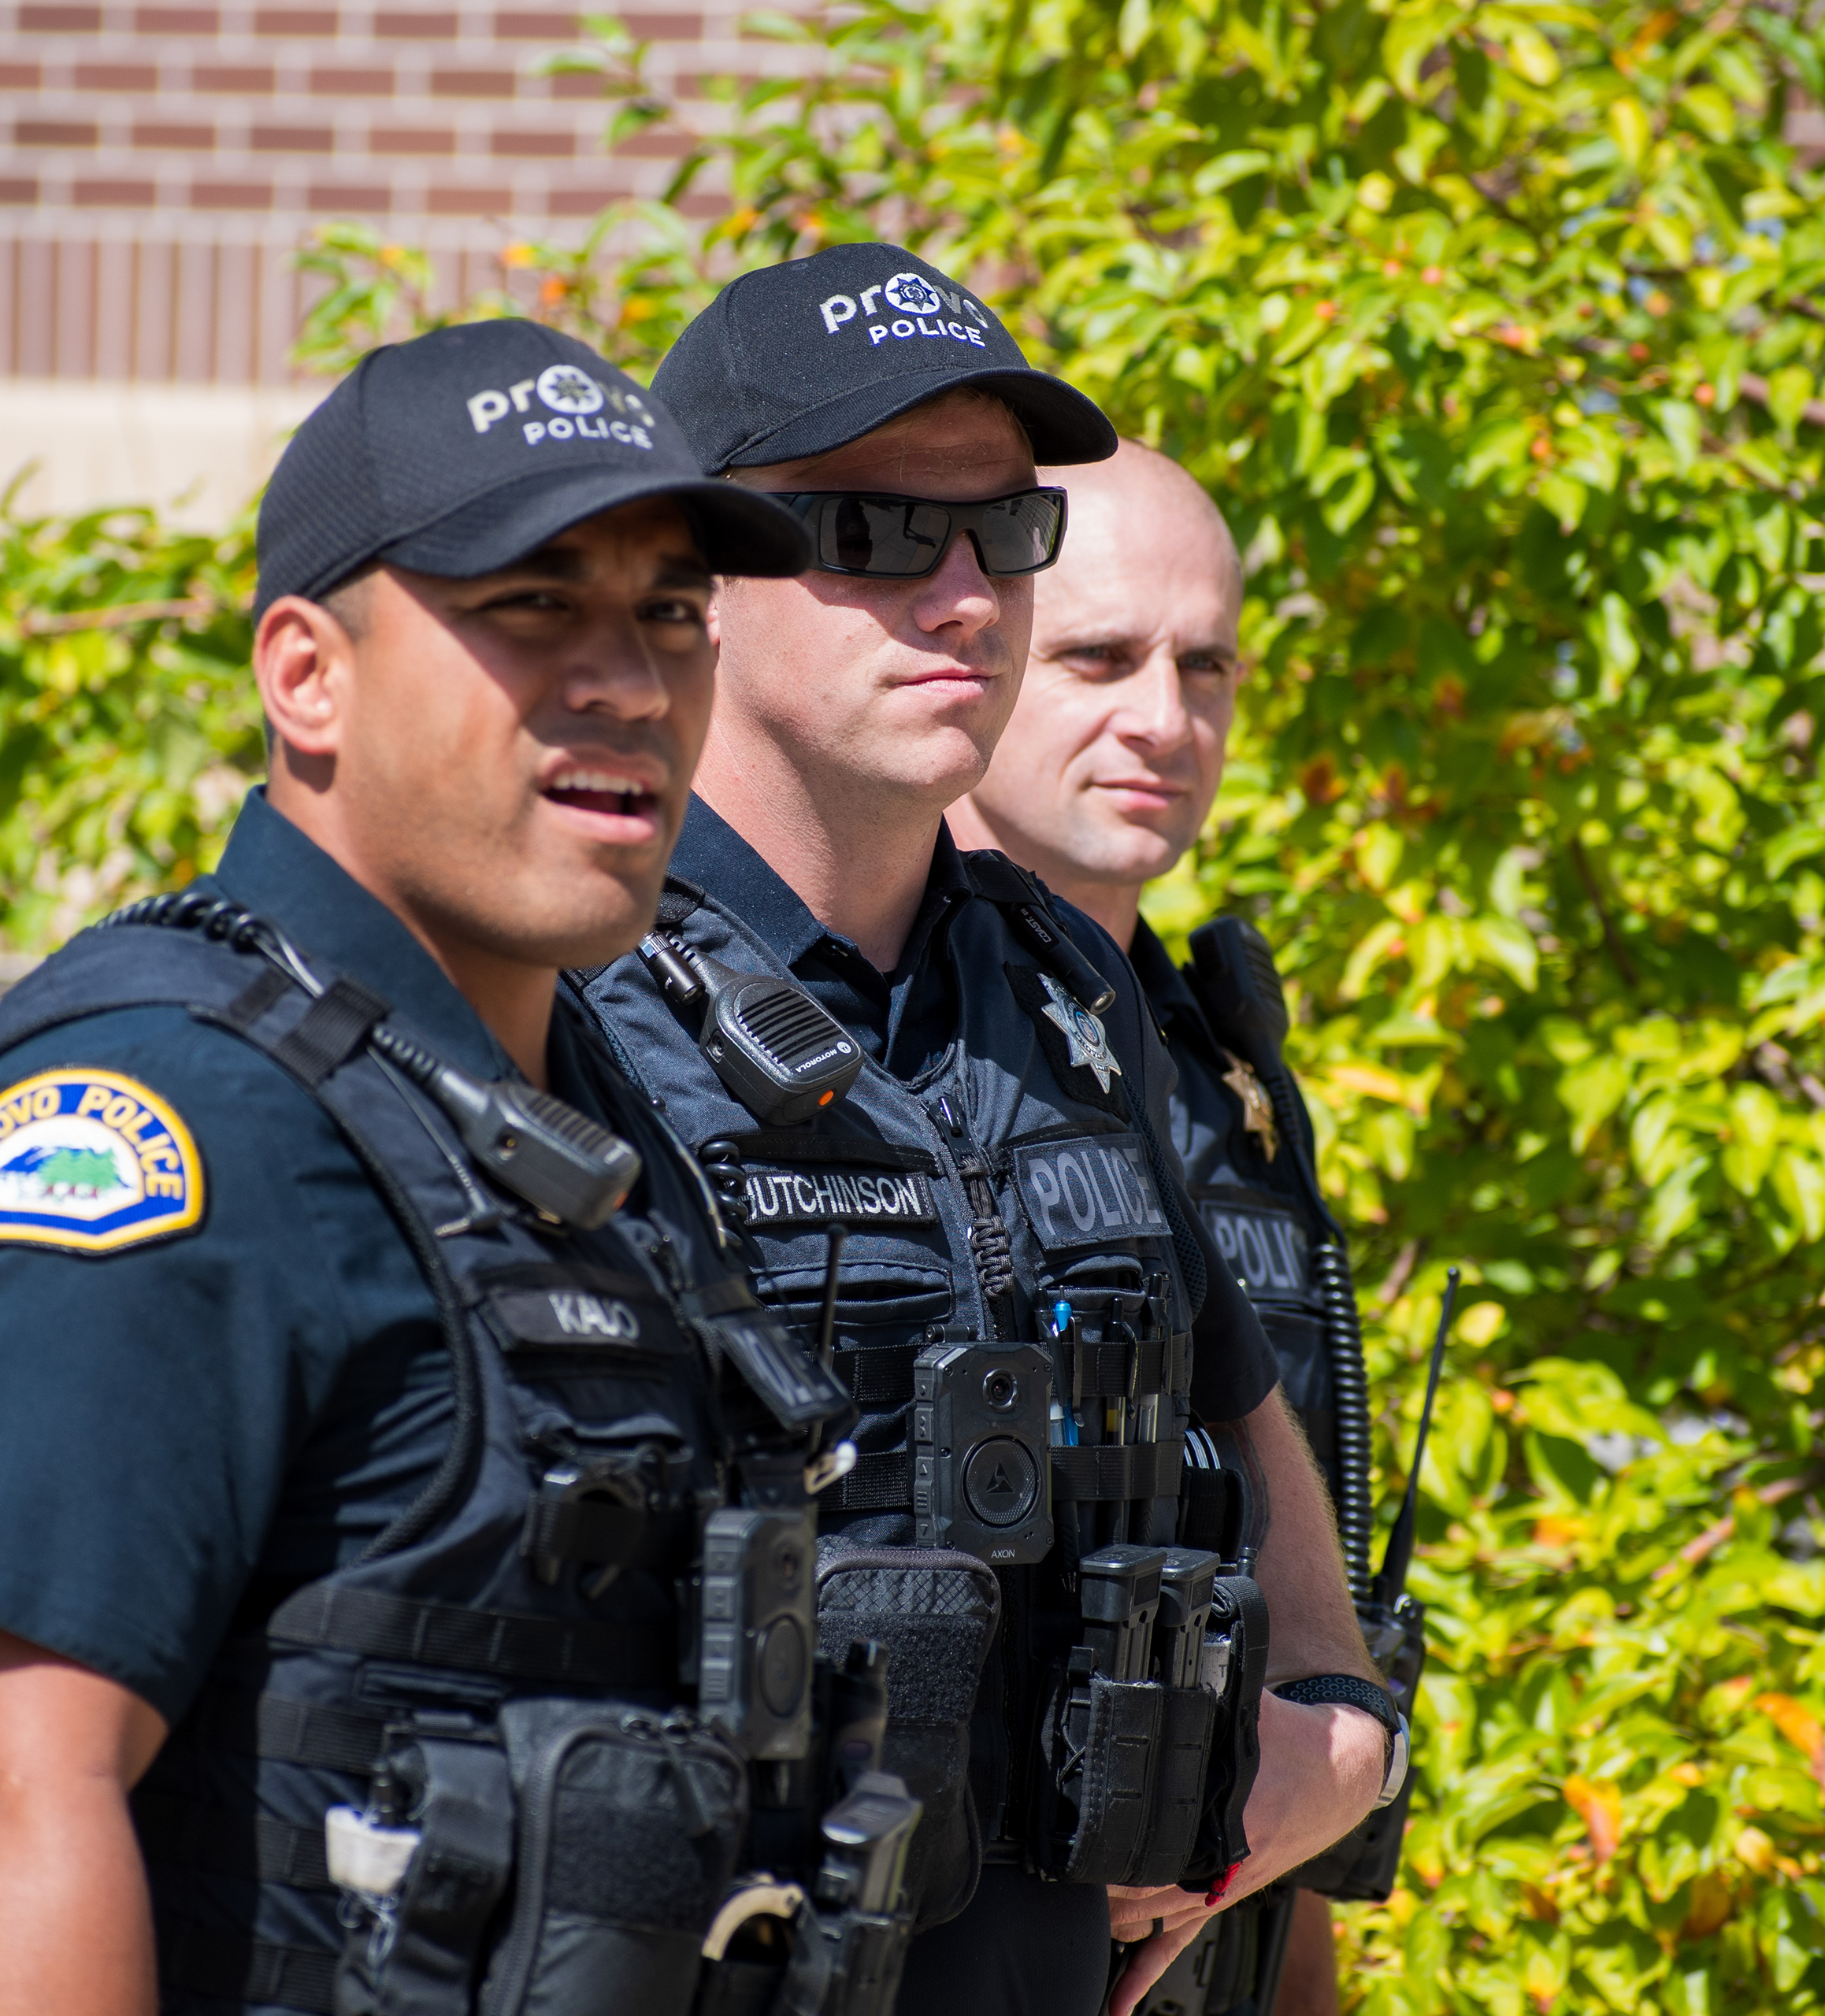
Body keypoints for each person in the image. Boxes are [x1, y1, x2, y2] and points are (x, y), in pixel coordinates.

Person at [0, 320, 891, 2016]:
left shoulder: (587, 1113)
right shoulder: (157, 1115)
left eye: (673, 611)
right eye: (533, 604)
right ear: (305, 675)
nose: (625, 676)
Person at [570, 243, 1408, 2016]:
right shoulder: (558, 992)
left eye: (1004, 535)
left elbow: (1288, 1540)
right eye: (876, 533)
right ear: (702, 573)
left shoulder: (1073, 1011)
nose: (964, 596)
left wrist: (1329, 1747)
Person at [948, 443, 1411, 2016]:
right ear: (980, 650)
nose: (1165, 716)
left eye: (1204, 663)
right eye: (1098, 656)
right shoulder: (847, 1049)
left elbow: (1290, 1656)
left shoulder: (1217, 1074)